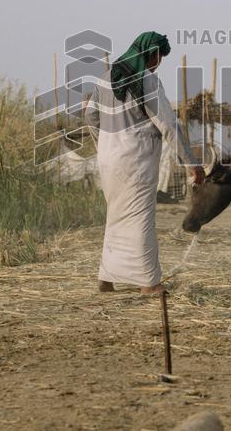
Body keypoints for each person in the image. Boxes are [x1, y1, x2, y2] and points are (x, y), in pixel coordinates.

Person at [84, 31, 205, 294]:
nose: (158, 63)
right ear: (152, 54)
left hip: (108, 158)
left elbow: (91, 117)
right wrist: (190, 163)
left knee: (116, 215)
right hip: (135, 158)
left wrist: (104, 144)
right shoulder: (147, 80)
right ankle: (148, 283)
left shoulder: (105, 79)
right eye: (158, 56)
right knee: (140, 216)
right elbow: (169, 125)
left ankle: (106, 278)